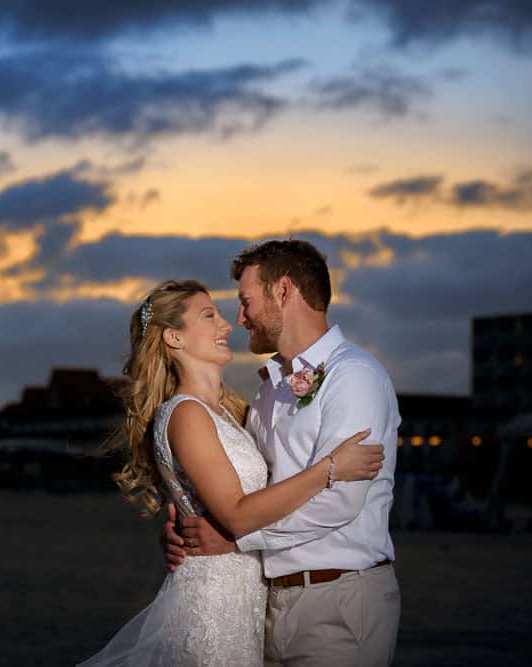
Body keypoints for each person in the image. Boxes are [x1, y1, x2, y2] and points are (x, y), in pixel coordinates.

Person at [80, 279, 384, 666]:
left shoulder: (233, 413)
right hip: (214, 599)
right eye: (210, 316)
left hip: (249, 599)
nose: (227, 326)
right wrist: (331, 468)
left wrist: (186, 527)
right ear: (174, 338)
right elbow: (238, 513)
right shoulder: (186, 413)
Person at [163, 240, 402, 666]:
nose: (239, 318)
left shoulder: (354, 377)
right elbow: (252, 487)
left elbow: (341, 502)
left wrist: (234, 540)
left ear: (284, 291)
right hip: (268, 602)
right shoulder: (270, 390)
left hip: (339, 598)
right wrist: (188, 526)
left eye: (246, 301)